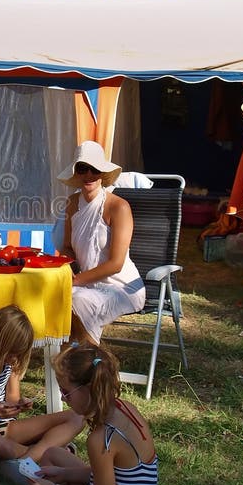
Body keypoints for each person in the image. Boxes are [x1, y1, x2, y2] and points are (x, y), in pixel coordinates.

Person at [4, 342, 158, 485]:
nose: (62, 398)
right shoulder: (125, 408)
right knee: (52, 454)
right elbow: (120, 478)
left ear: (88, 389)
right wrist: (65, 474)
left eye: (66, 392)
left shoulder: (101, 439)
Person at [0, 305, 84, 482]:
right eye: (12, 353)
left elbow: (12, 398)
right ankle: (53, 454)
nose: (14, 359)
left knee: (77, 417)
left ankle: (26, 460)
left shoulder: (11, 362)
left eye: (18, 354)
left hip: (6, 427)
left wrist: (19, 405)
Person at [56, 140, 145, 346]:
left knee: (77, 300)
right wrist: (68, 268)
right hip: (86, 284)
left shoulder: (119, 207)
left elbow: (116, 264)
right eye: (82, 168)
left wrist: (76, 280)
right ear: (76, 172)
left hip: (121, 288)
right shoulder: (72, 203)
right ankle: (70, 361)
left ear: (103, 173)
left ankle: (88, 362)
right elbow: (68, 247)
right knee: (58, 295)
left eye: (94, 169)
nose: (88, 175)